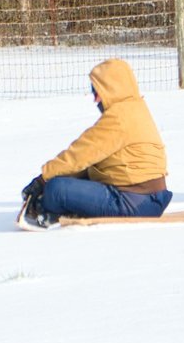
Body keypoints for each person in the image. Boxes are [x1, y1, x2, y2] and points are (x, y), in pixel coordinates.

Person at [19, 58, 173, 226]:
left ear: (112, 89)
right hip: (149, 199)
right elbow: (92, 162)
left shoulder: (119, 118)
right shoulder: (135, 109)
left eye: (97, 92)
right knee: (77, 177)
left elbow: (79, 155)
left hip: (134, 202)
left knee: (56, 190)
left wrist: (42, 181)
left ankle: (49, 211)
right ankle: (67, 206)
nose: (95, 100)